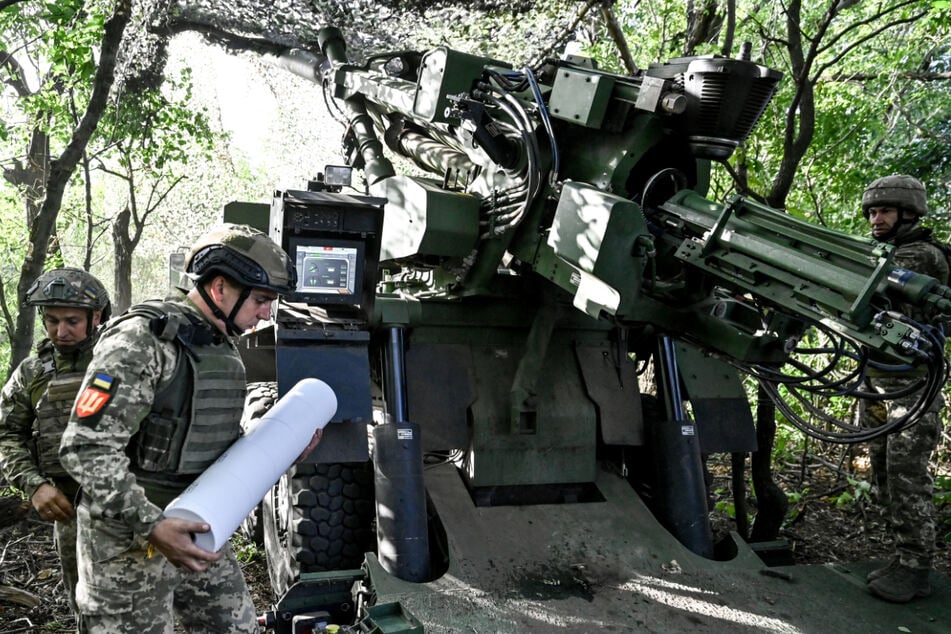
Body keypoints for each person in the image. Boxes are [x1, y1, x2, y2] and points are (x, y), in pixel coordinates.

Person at [59, 224, 314, 632]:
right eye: (262, 300)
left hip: (199, 522)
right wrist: (153, 525)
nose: (266, 313)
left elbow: (205, 441)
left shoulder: (217, 342)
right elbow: (84, 448)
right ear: (219, 289)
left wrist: (281, 450)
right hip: (128, 539)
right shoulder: (143, 340)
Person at [0, 268, 111, 623]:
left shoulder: (121, 361)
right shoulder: (32, 373)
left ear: (96, 318)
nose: (60, 332)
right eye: (51, 321)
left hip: (129, 508)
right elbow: (6, 434)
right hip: (69, 508)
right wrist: (35, 486)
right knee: (86, 608)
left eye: (72, 321)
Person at [859, 174, 949, 603]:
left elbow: (868, 285)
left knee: (906, 478)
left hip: (911, 388)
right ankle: (901, 558)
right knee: (882, 474)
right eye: (873, 211)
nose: (877, 219)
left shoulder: (921, 256)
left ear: (909, 213)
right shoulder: (887, 251)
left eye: (885, 211)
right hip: (879, 383)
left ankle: (915, 568)